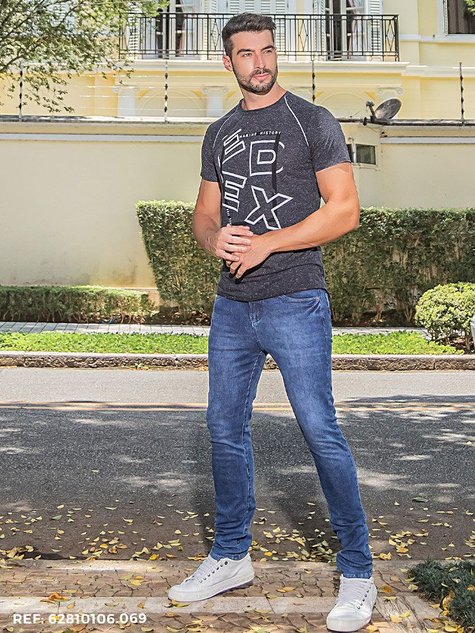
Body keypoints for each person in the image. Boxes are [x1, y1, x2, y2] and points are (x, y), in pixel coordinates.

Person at [168, 12, 377, 632]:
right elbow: (204, 215)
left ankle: (358, 571)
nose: (259, 63)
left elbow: (345, 210)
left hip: (295, 299)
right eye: (245, 54)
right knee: (223, 429)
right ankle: (232, 556)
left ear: (275, 53)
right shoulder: (219, 132)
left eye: (266, 51)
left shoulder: (312, 120)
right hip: (232, 305)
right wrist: (215, 239)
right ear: (227, 61)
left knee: (319, 429)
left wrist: (268, 244)